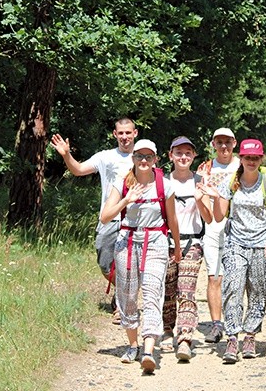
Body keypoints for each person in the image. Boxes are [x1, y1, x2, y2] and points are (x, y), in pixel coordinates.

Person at [100, 139, 181, 374]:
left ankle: (148, 349)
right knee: (127, 296)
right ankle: (132, 345)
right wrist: (127, 200)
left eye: (148, 157)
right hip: (126, 241)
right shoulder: (122, 182)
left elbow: (172, 219)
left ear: (156, 159)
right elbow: (106, 216)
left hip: (155, 241)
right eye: (139, 156)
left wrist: (176, 246)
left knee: (153, 292)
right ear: (133, 158)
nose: (143, 161)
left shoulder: (164, 185)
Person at [50, 117, 137, 324]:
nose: (125, 137)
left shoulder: (143, 156)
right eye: (121, 133)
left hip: (134, 220)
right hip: (109, 217)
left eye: (128, 132)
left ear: (135, 133)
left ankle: (123, 305)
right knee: (105, 263)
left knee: (128, 265)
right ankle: (124, 290)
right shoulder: (105, 157)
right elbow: (78, 170)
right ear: (115, 135)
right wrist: (66, 155)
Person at [200, 139, 266, 363]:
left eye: (255, 158)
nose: (252, 161)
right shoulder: (231, 182)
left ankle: (251, 335)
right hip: (235, 243)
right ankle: (233, 337)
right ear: (241, 158)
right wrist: (215, 197)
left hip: (260, 244)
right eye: (247, 157)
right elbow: (218, 216)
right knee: (232, 288)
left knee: (257, 291)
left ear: (261, 159)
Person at [162, 136, 213, 361]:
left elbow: (209, 218)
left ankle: (185, 337)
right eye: (178, 153)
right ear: (170, 155)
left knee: (186, 289)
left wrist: (200, 199)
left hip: (193, 242)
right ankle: (166, 329)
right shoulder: (162, 181)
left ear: (194, 156)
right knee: (168, 290)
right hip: (164, 242)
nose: (183, 157)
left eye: (187, 153)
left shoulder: (200, 180)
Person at [196, 128, 241, 344]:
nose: (224, 146)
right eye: (219, 142)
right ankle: (216, 325)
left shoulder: (242, 165)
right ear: (213, 144)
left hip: (238, 227)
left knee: (235, 278)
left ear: (234, 143)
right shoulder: (206, 168)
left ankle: (235, 322)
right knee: (214, 277)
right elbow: (201, 195)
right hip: (214, 228)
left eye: (228, 142)